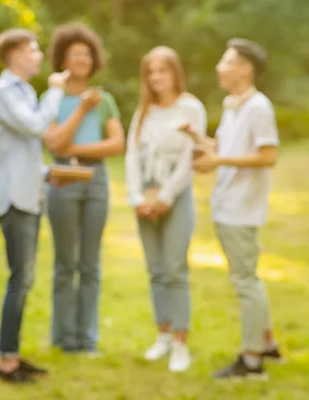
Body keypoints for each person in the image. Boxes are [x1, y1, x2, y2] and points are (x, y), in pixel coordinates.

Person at [186, 38, 283, 379]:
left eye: (227, 62)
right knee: (247, 279)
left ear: (246, 68)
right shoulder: (233, 107)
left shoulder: (258, 107)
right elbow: (225, 148)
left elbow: (267, 156)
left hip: (242, 210)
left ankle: (252, 360)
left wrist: (217, 160)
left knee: (246, 282)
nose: (219, 68)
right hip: (227, 206)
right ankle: (267, 343)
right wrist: (199, 139)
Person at [0, 28, 71, 383]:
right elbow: (36, 127)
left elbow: (22, 150)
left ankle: (12, 355)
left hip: (29, 194)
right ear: (15, 54)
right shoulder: (3, 92)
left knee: (25, 278)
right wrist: (57, 90)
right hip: (13, 198)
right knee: (20, 278)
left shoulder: (21, 91)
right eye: (34, 49)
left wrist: (48, 173)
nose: (38, 55)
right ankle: (6, 363)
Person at [42, 23, 125, 356]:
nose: (82, 59)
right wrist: (81, 110)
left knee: (90, 264)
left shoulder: (104, 99)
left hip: (97, 182)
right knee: (65, 263)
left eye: (87, 54)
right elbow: (54, 142)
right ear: (63, 58)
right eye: (76, 53)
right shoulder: (52, 98)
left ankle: (87, 338)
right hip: (63, 180)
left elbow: (117, 143)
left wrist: (78, 150)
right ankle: (64, 338)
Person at [125, 46, 206, 372]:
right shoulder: (144, 110)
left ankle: (180, 344)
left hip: (176, 196)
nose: (156, 77)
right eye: (151, 72)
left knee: (175, 270)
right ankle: (162, 335)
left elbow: (190, 159)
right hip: (144, 196)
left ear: (175, 72)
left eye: (162, 70)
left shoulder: (191, 108)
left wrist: (166, 198)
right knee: (156, 271)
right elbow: (132, 156)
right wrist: (136, 198)